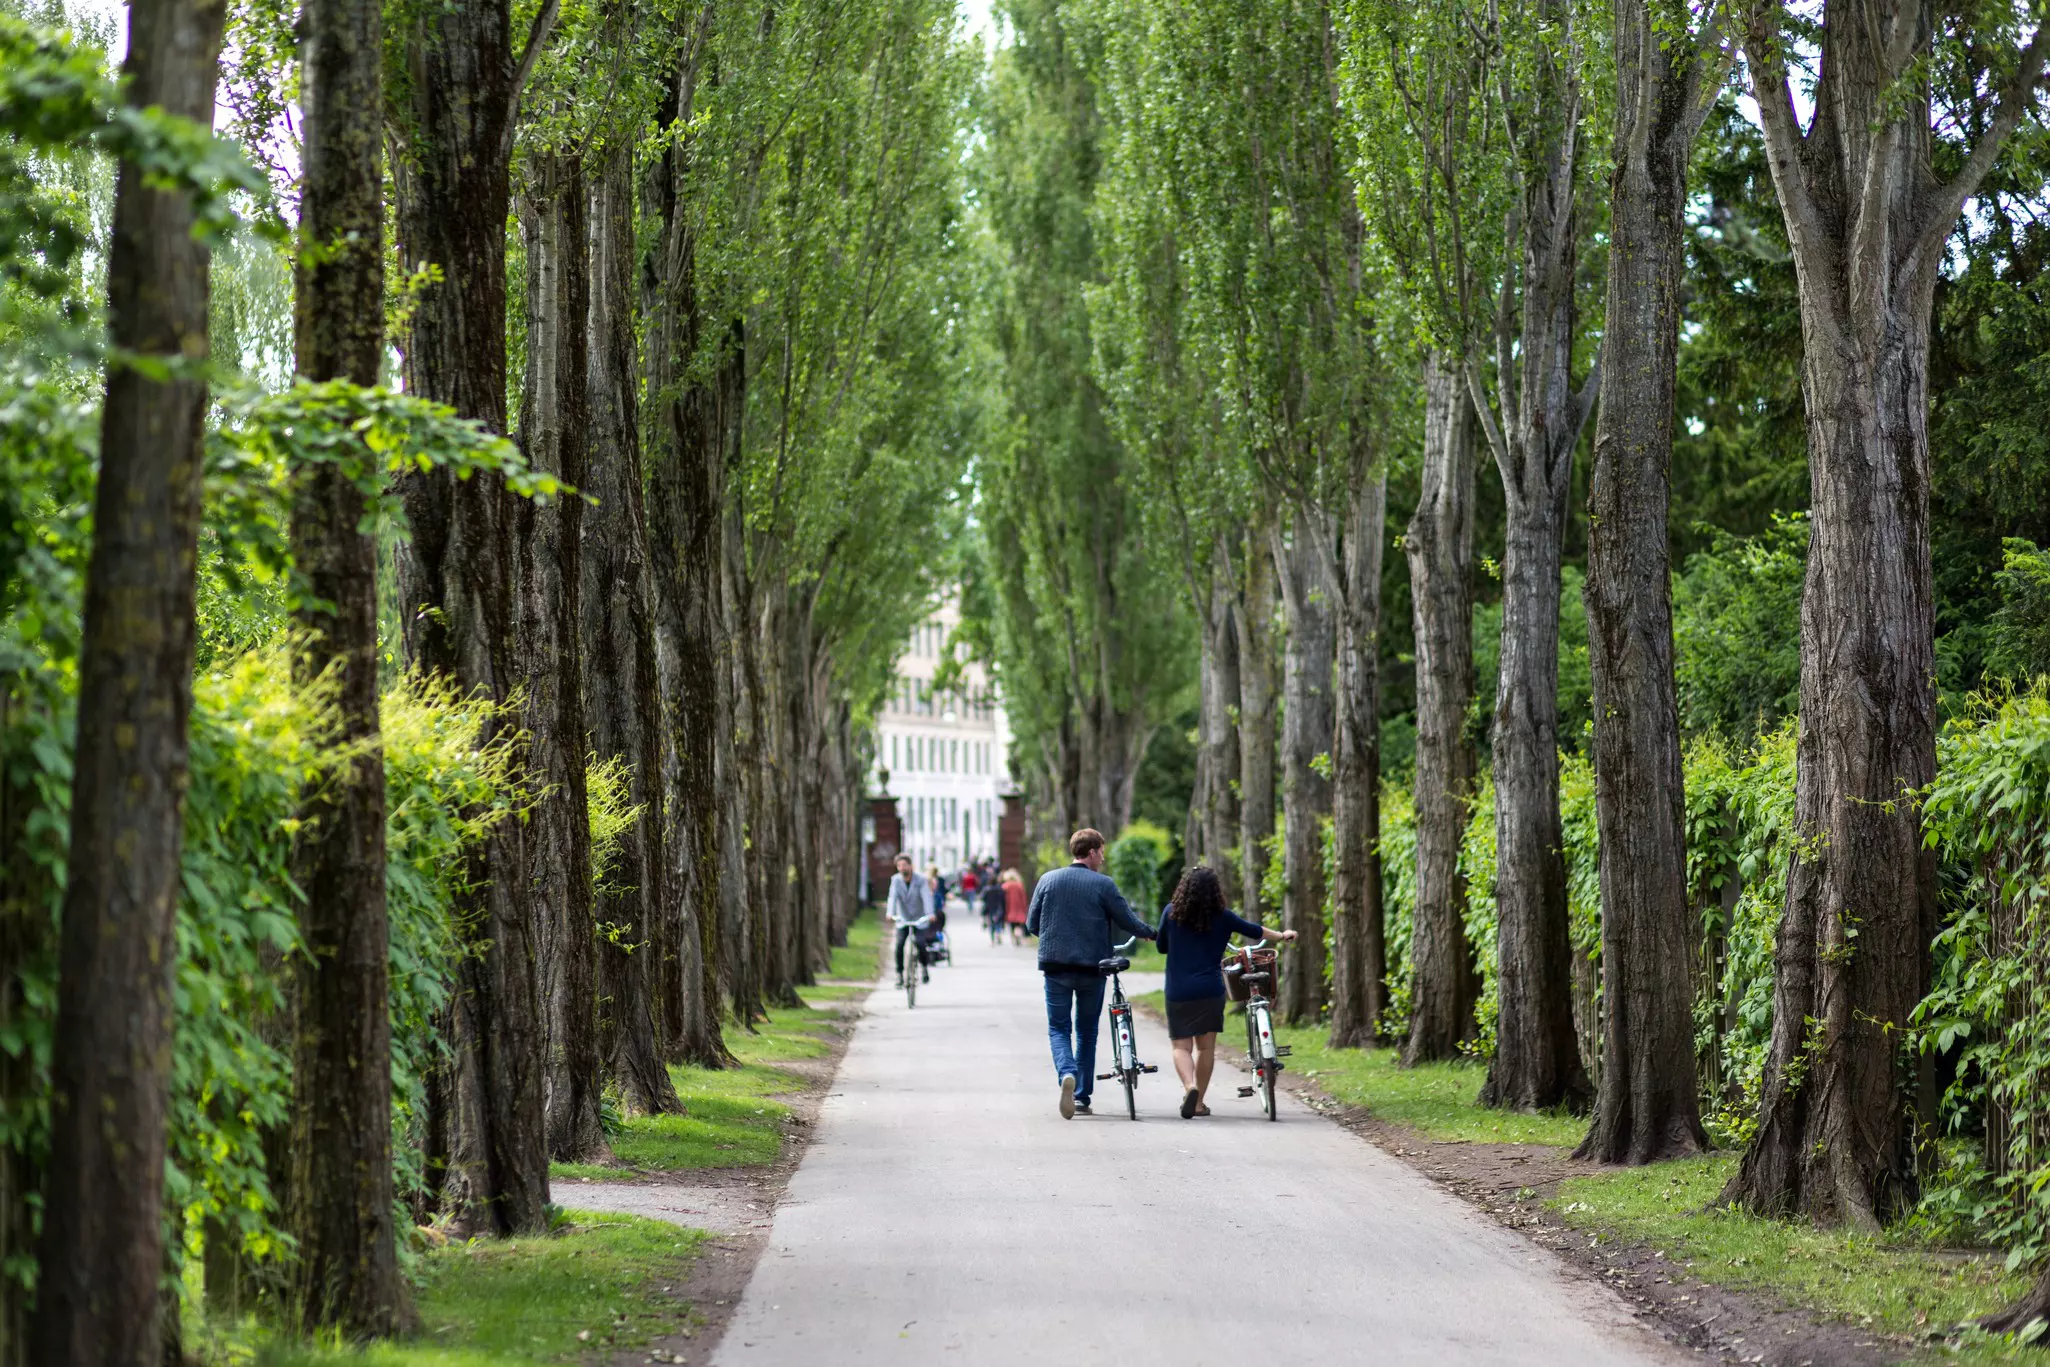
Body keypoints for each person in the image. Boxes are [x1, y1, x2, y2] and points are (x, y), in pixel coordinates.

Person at [1026, 828, 1156, 1118]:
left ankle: (1066, 1074)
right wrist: (1151, 933)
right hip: (1091, 969)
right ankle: (1082, 1096)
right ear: (1093, 851)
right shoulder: (1103, 885)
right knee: (1086, 1031)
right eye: (1102, 852)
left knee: (1058, 1028)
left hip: (1055, 967)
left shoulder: (1048, 880)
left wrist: (1053, 936)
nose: (1104, 857)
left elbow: (1032, 924)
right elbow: (1127, 919)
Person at [1155, 864, 1295, 1119]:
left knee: (1181, 1047)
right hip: (1210, 990)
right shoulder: (1223, 916)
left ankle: (1190, 1087)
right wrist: (1282, 935)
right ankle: (1198, 1105)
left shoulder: (1171, 912)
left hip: (1178, 990)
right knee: (1205, 1049)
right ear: (1215, 891)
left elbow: (1161, 946)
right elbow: (1256, 930)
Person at [886, 854, 933, 987]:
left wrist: (930, 914)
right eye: (899, 866)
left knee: (920, 942)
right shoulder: (895, 880)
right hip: (904, 918)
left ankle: (924, 967)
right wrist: (890, 913)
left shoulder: (921, 880)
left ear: (911, 866)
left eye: (904, 865)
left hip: (919, 918)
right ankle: (899, 974)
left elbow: (926, 897)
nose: (902, 868)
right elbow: (892, 897)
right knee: (899, 945)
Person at [1002, 867, 1028, 945]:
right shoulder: (1019, 885)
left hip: (1009, 908)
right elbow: (1023, 897)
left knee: (1012, 924)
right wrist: (1024, 907)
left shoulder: (1005, 886)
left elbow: (1003, 898)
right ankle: (1018, 935)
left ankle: (1014, 937)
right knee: (1018, 924)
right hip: (1019, 907)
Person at [981, 874, 1006, 945]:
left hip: (989, 908)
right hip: (998, 908)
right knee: (998, 923)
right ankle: (998, 934)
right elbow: (1003, 899)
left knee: (991, 924)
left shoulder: (986, 889)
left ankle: (992, 940)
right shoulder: (1000, 889)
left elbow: (983, 898)